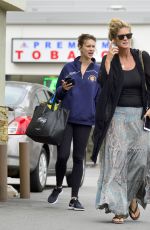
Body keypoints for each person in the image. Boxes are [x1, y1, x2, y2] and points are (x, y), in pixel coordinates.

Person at [91, 18, 150, 224]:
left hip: (140, 118)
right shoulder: (111, 61)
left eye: (128, 36)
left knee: (140, 163)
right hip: (116, 118)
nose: (126, 39)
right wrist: (107, 62)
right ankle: (119, 208)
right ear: (114, 39)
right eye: (121, 37)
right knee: (117, 164)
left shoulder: (142, 57)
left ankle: (132, 197)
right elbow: (104, 89)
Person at [47, 33, 100, 211]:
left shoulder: (98, 70)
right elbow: (57, 95)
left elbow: (99, 97)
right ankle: (58, 186)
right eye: (88, 46)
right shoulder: (68, 67)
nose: (91, 49)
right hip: (66, 118)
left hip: (85, 120)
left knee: (78, 157)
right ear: (80, 47)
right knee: (62, 156)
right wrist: (63, 88)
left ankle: (74, 197)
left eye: (93, 46)